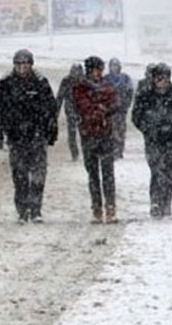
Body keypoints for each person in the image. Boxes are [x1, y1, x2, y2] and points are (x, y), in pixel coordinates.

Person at [0, 49, 58, 224]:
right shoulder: (6, 83)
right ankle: (22, 210)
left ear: (31, 65)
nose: (22, 68)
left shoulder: (40, 82)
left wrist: (51, 132)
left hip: (37, 135)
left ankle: (36, 209)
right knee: (19, 175)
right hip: (16, 136)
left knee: (38, 175)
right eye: (19, 65)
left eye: (25, 65)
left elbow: (51, 109)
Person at [72, 56, 118, 224]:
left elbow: (114, 104)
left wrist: (99, 108)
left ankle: (111, 206)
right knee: (93, 175)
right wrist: (100, 108)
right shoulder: (80, 87)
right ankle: (97, 207)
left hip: (105, 134)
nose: (98, 73)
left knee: (108, 174)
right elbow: (82, 106)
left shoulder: (107, 86)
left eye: (100, 70)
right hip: (89, 134)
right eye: (95, 70)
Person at [132, 63, 172, 218]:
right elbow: (136, 116)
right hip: (153, 140)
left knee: (170, 172)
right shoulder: (145, 94)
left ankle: (166, 204)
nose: (161, 81)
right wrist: (148, 129)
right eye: (158, 78)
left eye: (164, 78)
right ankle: (156, 202)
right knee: (156, 170)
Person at [103, 57, 134, 159]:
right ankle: (112, 150)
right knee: (111, 130)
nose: (114, 68)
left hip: (121, 110)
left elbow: (130, 92)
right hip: (110, 110)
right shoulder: (106, 79)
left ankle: (119, 150)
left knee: (121, 131)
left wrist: (126, 104)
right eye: (112, 65)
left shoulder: (125, 78)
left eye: (116, 65)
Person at [56, 64, 84, 161]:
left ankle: (86, 153)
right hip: (70, 109)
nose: (75, 74)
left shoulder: (85, 81)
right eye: (73, 71)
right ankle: (74, 154)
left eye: (77, 72)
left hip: (83, 110)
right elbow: (60, 97)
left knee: (84, 133)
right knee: (72, 133)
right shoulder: (66, 81)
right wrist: (56, 113)